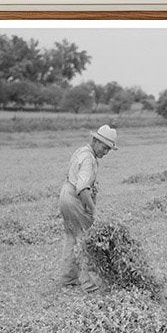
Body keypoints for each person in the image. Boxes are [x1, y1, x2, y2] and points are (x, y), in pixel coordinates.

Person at [59, 124, 118, 290]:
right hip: (75, 199)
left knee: (72, 237)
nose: (105, 153)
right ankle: (89, 284)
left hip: (66, 195)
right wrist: (93, 210)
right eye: (104, 148)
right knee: (85, 240)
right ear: (95, 140)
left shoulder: (81, 151)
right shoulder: (89, 159)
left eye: (108, 150)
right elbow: (83, 189)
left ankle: (68, 278)